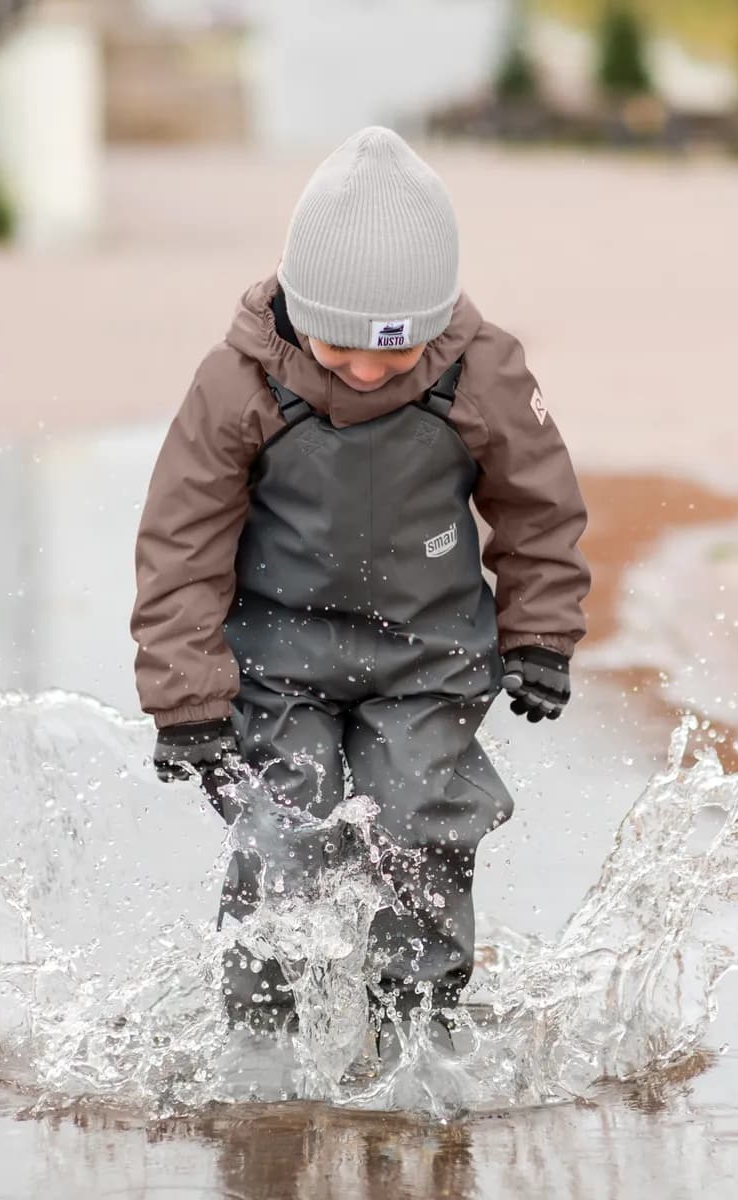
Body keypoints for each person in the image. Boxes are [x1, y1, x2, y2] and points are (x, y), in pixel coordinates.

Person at [131, 127, 590, 1060]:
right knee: (287, 833)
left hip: (427, 660)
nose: (372, 371)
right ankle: (261, 1036)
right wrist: (185, 698)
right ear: (301, 307)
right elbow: (181, 543)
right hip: (280, 662)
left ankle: (418, 1026)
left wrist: (541, 632)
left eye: (399, 349)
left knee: (423, 826)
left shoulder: (483, 369)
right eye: (345, 346)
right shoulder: (239, 383)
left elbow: (538, 506)